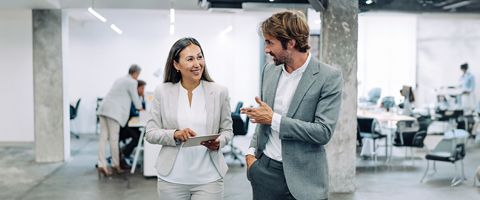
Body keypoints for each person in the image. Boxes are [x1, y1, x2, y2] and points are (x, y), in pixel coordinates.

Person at [241, 11, 343, 200]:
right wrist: (250, 155)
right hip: (265, 172)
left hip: (307, 179)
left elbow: (323, 132)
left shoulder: (328, 78)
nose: (266, 49)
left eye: (270, 42)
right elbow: (263, 117)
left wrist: (274, 120)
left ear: (291, 43)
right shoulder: (270, 70)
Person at [145, 37, 233, 200]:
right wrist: (174, 134)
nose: (197, 64)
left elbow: (227, 130)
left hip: (209, 178)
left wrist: (219, 142)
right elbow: (150, 133)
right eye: (190, 59)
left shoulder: (219, 92)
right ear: (176, 64)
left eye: (200, 57)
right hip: (172, 179)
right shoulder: (162, 92)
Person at [96, 64, 144, 176]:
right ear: (136, 73)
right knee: (113, 138)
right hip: (114, 112)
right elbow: (136, 100)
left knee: (103, 138)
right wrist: (142, 110)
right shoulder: (132, 82)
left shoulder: (120, 79)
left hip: (103, 108)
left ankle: (101, 164)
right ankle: (115, 165)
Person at [118, 79, 146, 169]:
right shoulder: (131, 98)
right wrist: (142, 112)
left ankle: (125, 152)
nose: (143, 91)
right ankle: (123, 154)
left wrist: (144, 97)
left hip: (129, 124)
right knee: (138, 137)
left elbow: (142, 108)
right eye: (142, 88)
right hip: (124, 126)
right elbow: (133, 113)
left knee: (141, 135)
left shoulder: (137, 98)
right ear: (136, 89)